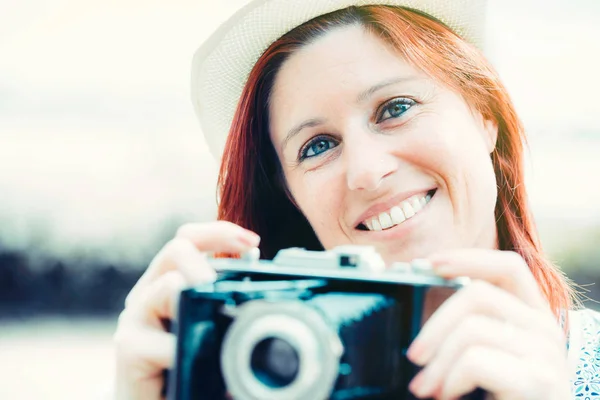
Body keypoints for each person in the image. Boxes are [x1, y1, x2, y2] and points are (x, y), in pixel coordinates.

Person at [112, 1, 600, 399]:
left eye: (396, 109)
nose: (367, 172)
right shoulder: (253, 380)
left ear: (484, 116)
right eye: (318, 146)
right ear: (289, 197)